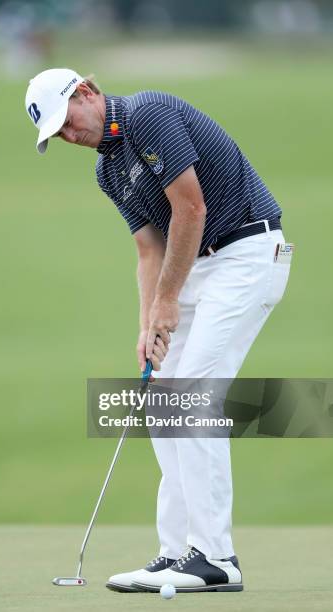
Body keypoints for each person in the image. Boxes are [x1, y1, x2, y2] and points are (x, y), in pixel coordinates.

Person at [25, 68, 292, 593]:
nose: (67, 135)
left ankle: (216, 558)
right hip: (197, 266)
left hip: (247, 253)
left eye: (66, 121)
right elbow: (149, 249)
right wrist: (149, 322)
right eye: (56, 134)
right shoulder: (107, 172)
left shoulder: (147, 114)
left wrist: (170, 300)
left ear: (86, 93)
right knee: (164, 400)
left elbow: (191, 208)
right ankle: (177, 554)